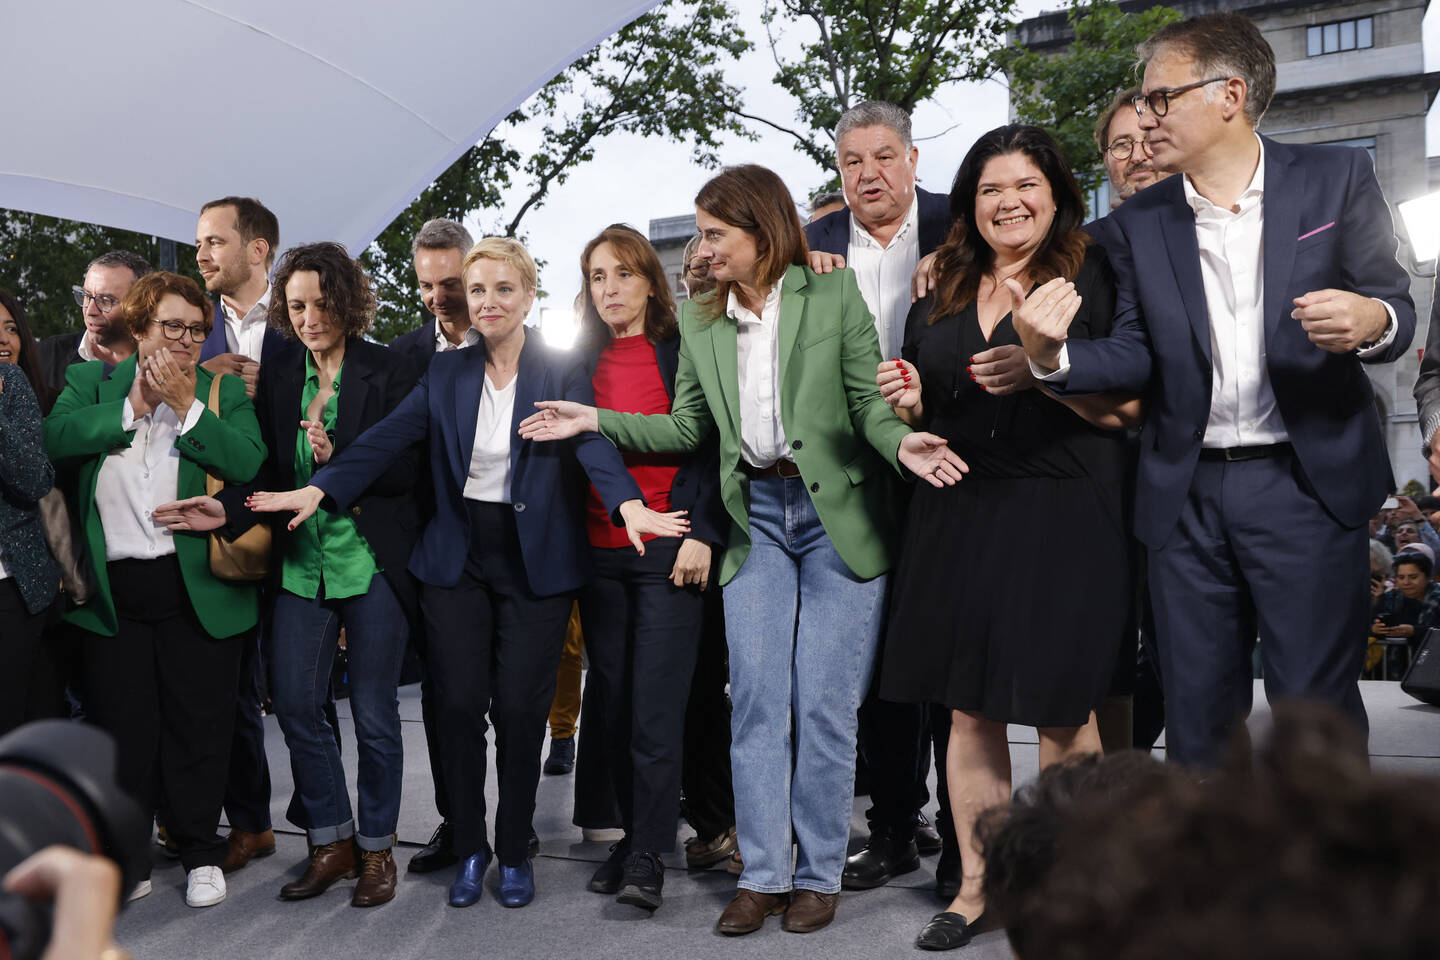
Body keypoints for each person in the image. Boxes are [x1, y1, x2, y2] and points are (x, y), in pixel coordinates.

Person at [518, 164, 968, 935]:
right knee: (756, 702)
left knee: (823, 706)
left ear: (761, 231)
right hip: (755, 512)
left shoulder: (832, 294)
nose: (703, 246)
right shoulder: (700, 318)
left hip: (836, 517)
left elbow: (866, 402)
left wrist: (903, 448)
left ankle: (817, 874)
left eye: (715, 233)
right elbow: (689, 427)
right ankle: (761, 875)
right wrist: (595, 420)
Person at [1015, 13, 1415, 768]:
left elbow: (1395, 304)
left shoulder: (1337, 178)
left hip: (1307, 483)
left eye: (1161, 97)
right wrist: (1049, 357)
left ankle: (1326, 883)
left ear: (1230, 94)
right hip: (1186, 495)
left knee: (1315, 714)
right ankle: (1209, 883)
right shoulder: (1132, 225)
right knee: (1199, 719)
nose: (1145, 115)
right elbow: (1133, 352)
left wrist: (1369, 318)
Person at [246, 236, 684, 909]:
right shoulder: (446, 373)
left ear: (528, 295)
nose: (488, 303)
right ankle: (471, 845)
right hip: (457, 558)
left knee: (518, 710)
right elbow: (389, 438)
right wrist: (322, 488)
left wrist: (627, 503)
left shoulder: (560, 367)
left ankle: (513, 850)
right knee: (454, 708)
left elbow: (590, 438)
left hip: (534, 558)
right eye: (477, 291)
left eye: (503, 290)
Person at [876, 124, 1140, 951]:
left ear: (1056, 192)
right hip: (958, 508)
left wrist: (1042, 367)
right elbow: (931, 396)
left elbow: (1129, 409)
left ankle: (1072, 883)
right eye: (990, 189)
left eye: (1025, 185)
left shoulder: (1095, 274)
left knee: (1065, 714)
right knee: (967, 712)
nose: (1008, 202)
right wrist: (912, 402)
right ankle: (980, 884)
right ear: (970, 204)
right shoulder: (945, 281)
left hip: (1066, 508)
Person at [160, 243, 426, 905]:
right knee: (300, 707)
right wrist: (217, 511)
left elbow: (409, 474)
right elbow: (267, 476)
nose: (308, 318)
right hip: (301, 567)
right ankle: (331, 842)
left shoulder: (388, 370)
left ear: (347, 301)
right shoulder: (281, 378)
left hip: (369, 563)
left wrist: (341, 460)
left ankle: (377, 852)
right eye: (297, 305)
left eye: (321, 303)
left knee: (373, 714)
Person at [44, 270, 265, 908]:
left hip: (195, 582)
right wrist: (132, 409)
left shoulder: (221, 390)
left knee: (200, 725)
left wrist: (185, 406)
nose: (188, 340)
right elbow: (55, 441)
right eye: (173, 326)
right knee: (123, 730)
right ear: (139, 328)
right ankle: (129, 857)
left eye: (197, 329)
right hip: (112, 589)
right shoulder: (90, 382)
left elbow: (248, 463)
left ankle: (201, 852)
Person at [804, 99, 957, 896]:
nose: (869, 174)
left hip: (949, 455)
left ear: (912, 159)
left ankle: (963, 836)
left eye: (884, 156)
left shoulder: (960, 226)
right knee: (880, 657)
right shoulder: (811, 247)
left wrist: (955, 262)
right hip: (854, 471)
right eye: (853, 162)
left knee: (950, 649)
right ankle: (895, 823)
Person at [570, 224, 727, 911]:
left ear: (650, 282)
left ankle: (648, 855)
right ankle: (635, 834)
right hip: (599, 553)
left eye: (625, 274)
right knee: (615, 701)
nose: (611, 289)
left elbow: (715, 443)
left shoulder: (681, 346)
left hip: (670, 543)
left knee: (657, 710)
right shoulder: (576, 360)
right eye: (599, 276)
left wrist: (706, 533)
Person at [385, 217, 477, 876]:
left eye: (452, 282)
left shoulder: (521, 342)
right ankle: (461, 822)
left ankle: (513, 820)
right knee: (450, 700)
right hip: (438, 556)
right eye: (427, 285)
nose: (441, 297)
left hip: (514, 551)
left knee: (514, 701)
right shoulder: (402, 358)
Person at [0, 289, 62, 736]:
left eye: (9, 326)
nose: (3, 339)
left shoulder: (13, 386)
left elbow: (33, 481)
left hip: (14, 587)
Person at [196, 195, 287, 390]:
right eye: (199, 245)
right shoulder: (188, 328)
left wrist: (269, 390)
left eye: (214, 242)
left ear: (257, 250)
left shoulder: (305, 324)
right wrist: (200, 380)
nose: (200, 256)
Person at [36, 251, 152, 403]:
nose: (90, 311)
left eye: (105, 301)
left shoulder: (165, 365)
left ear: (140, 305)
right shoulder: (47, 356)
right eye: (86, 296)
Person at [1095, 86, 1172, 209]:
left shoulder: (1210, 221)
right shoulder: (1096, 228)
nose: (1137, 157)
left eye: (1151, 140)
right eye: (1121, 144)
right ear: (1106, 160)